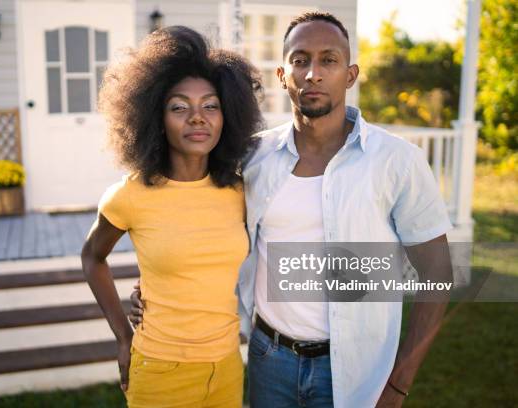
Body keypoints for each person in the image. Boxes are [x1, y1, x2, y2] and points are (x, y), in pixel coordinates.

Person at [130, 11, 454, 408]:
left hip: (354, 368)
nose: (313, 73)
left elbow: (437, 271)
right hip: (270, 359)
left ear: (350, 75)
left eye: (328, 60)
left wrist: (398, 384)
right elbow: (200, 214)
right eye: (300, 60)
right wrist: (159, 282)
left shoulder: (396, 161)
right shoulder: (252, 157)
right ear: (283, 75)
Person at [80, 26, 263, 408]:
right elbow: (92, 257)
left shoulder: (240, 191)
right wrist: (121, 335)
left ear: (227, 114)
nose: (197, 118)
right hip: (160, 371)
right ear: (155, 118)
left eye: (210, 105)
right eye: (180, 107)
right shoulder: (130, 196)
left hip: (227, 366)